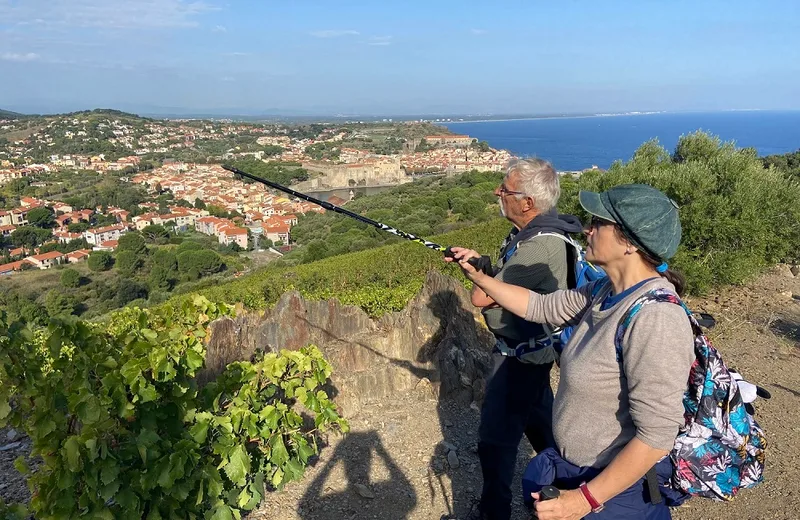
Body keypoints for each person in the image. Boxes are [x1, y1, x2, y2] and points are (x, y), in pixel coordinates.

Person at [447, 183, 695, 520]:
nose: (587, 229)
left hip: (614, 497)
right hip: (581, 476)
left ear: (629, 243)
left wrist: (584, 500)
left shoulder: (656, 318)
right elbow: (540, 306)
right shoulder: (603, 290)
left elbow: (656, 436)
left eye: (599, 223)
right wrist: (480, 276)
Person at [465, 158, 583, 520]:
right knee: (543, 427)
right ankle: (567, 498)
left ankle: (494, 513)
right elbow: (509, 280)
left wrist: (476, 275)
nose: (498, 193)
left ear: (527, 202)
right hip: (537, 352)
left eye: (505, 189)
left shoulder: (536, 247)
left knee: (495, 443)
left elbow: (482, 298)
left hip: (518, 358)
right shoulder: (539, 233)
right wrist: (484, 264)